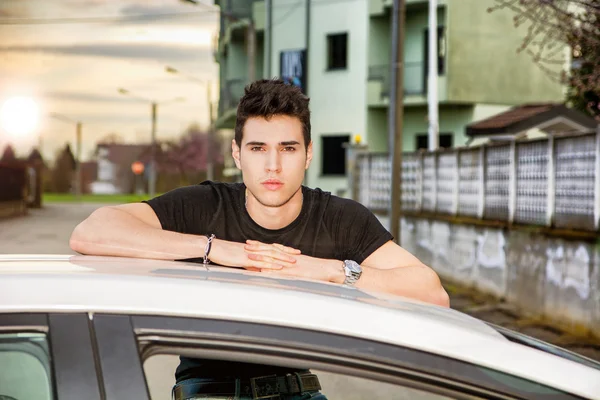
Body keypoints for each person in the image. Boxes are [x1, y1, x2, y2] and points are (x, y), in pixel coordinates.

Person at [70, 78, 449, 400]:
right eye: (257, 149)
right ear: (237, 154)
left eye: (287, 148)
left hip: (297, 389)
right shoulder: (204, 206)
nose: (273, 165)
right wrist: (215, 248)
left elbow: (433, 294)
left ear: (308, 154)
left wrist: (330, 271)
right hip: (208, 390)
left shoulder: (338, 218)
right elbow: (92, 231)